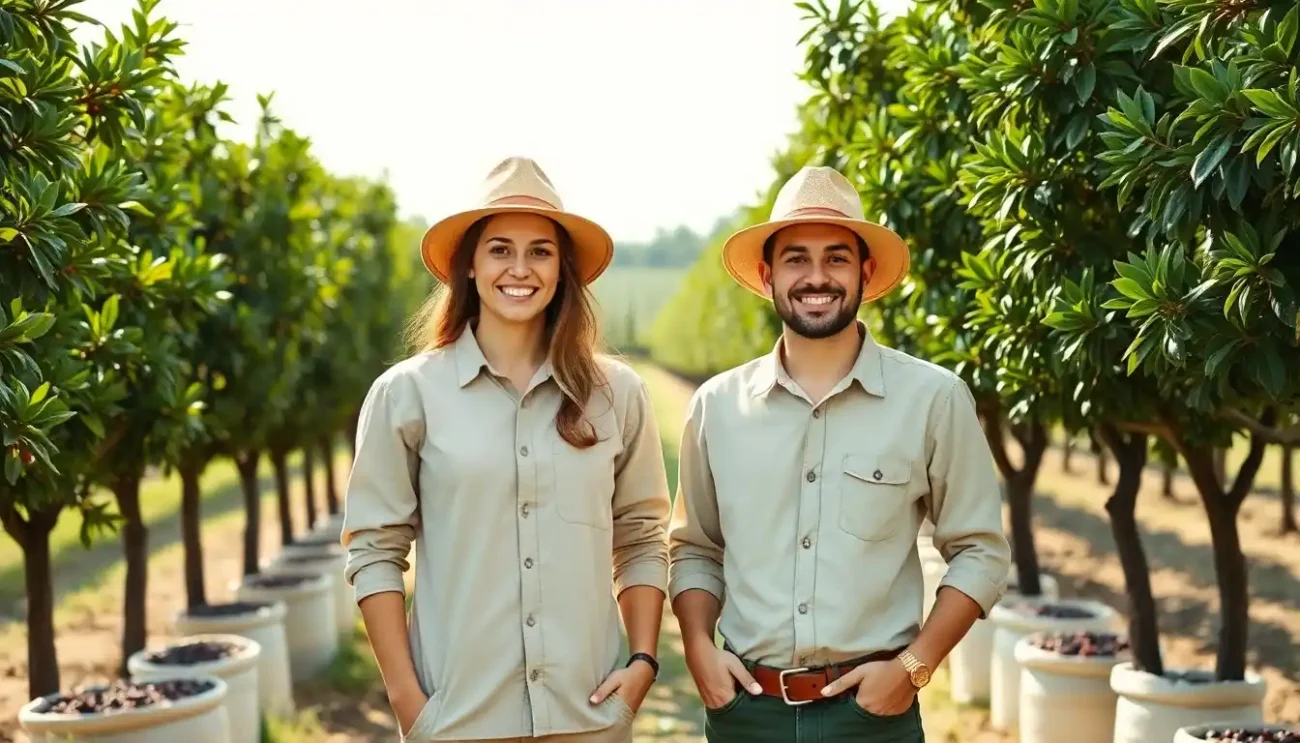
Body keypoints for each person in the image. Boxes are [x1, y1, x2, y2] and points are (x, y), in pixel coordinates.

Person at [666, 164, 1013, 741]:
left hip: (874, 718)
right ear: (767, 273)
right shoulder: (716, 408)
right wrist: (699, 648)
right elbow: (696, 548)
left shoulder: (933, 399)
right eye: (796, 258)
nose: (816, 276)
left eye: (836, 257)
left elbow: (980, 550)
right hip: (747, 714)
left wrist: (913, 667)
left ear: (864, 272)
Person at [341, 156, 672, 743]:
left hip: (588, 718)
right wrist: (408, 701)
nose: (520, 268)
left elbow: (642, 535)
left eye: (540, 251)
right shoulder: (408, 394)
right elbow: (374, 549)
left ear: (562, 268)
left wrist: (643, 663)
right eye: (500, 249)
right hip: (457, 720)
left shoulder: (617, 395)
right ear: (469, 264)